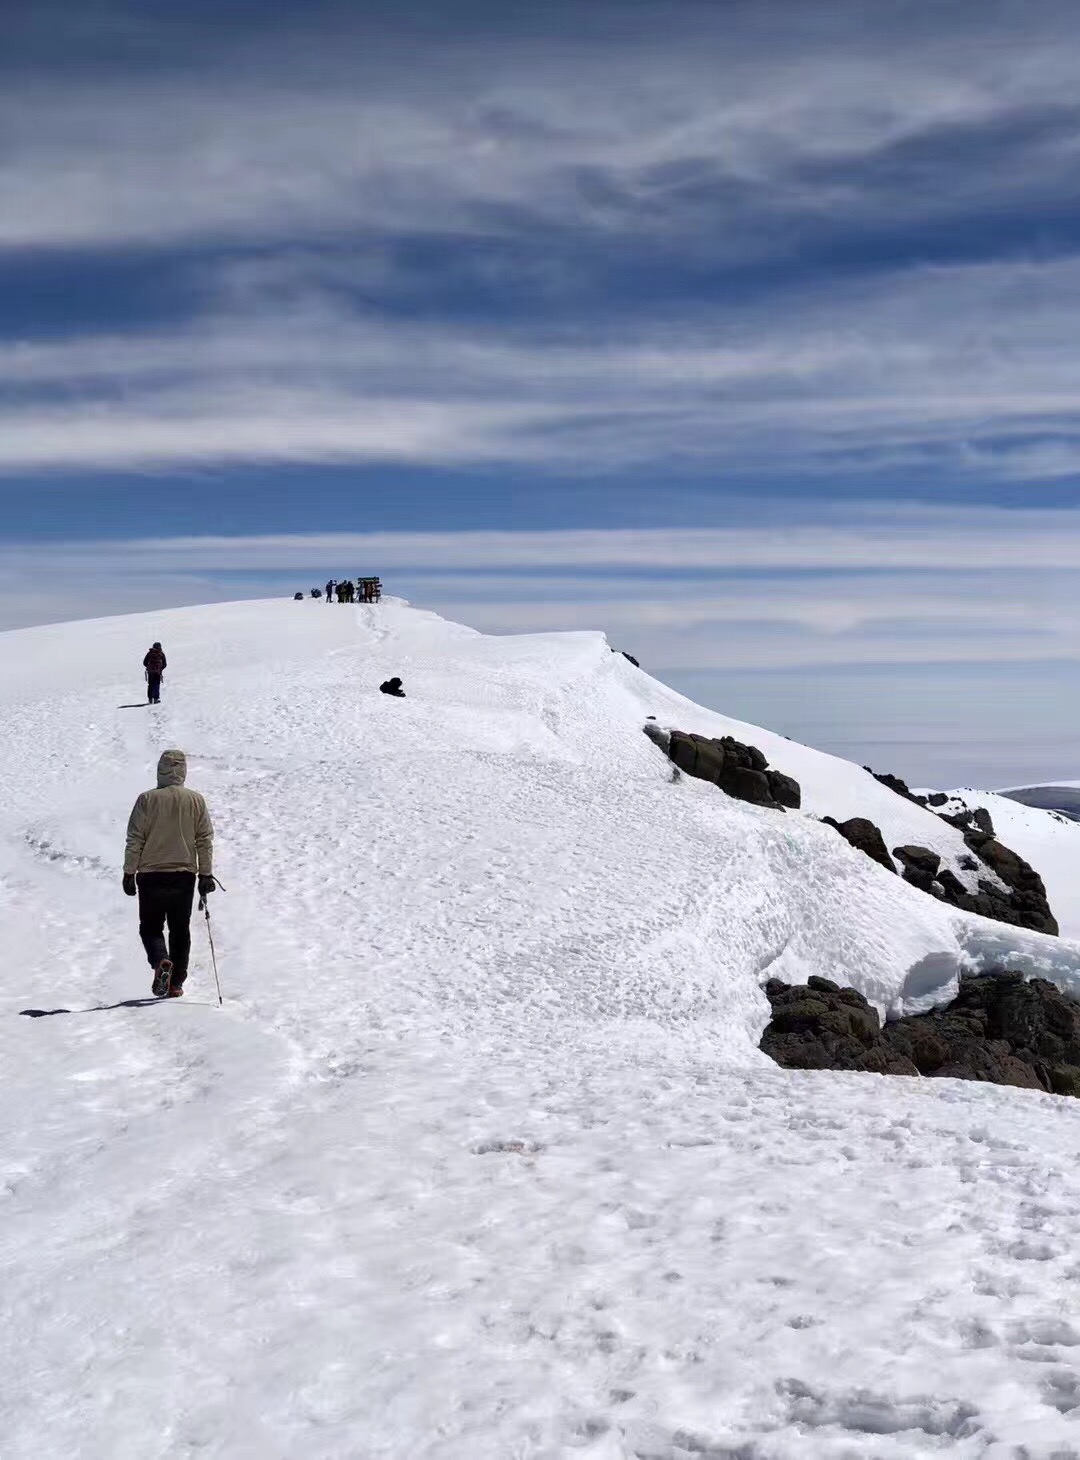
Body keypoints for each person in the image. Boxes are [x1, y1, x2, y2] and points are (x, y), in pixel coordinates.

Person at [122, 749, 215, 998]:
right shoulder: (196, 800)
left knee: (151, 927)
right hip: (183, 875)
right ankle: (175, 984)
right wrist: (206, 874)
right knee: (180, 930)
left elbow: (135, 838)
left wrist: (129, 872)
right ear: (184, 770)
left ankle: (161, 960)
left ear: (160, 770)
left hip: (151, 875)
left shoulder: (146, 799)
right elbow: (204, 839)